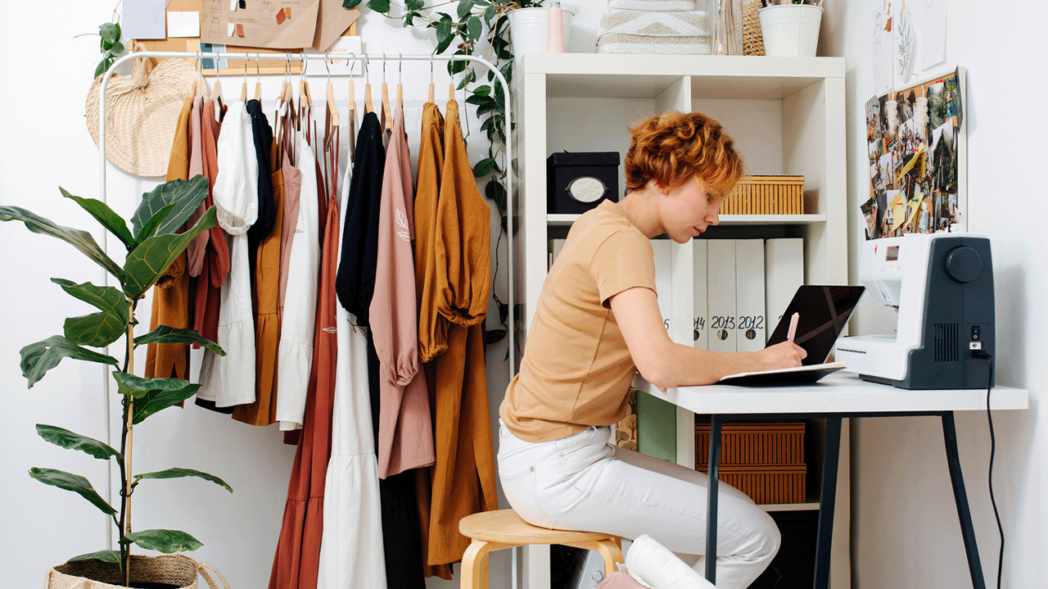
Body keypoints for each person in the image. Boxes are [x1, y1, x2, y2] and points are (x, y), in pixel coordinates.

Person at [497, 111, 807, 589]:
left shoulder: (598, 221)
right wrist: (760, 360)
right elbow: (659, 362)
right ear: (666, 179)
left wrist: (671, 364)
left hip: (547, 454)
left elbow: (636, 352)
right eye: (708, 197)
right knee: (754, 536)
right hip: (558, 465)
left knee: (734, 519)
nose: (714, 216)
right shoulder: (622, 242)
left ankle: (625, 581)